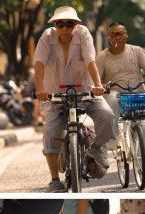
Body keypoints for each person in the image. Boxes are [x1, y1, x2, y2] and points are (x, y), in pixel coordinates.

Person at [34, 6, 115, 192]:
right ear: (54, 24)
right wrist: (40, 89)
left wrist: (98, 85)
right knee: (50, 133)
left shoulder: (84, 33)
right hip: (55, 95)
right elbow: (39, 63)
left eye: (69, 23)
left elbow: (90, 61)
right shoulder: (47, 36)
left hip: (85, 91)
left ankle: (95, 147)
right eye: (60, 23)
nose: (64, 27)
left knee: (107, 115)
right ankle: (54, 180)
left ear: (76, 24)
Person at [96, 22, 145, 179]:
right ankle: (113, 137)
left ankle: (144, 162)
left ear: (126, 34)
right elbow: (97, 79)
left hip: (137, 96)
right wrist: (101, 85)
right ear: (109, 37)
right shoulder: (102, 56)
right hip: (116, 94)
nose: (118, 37)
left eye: (120, 33)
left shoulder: (136, 51)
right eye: (114, 34)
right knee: (112, 98)